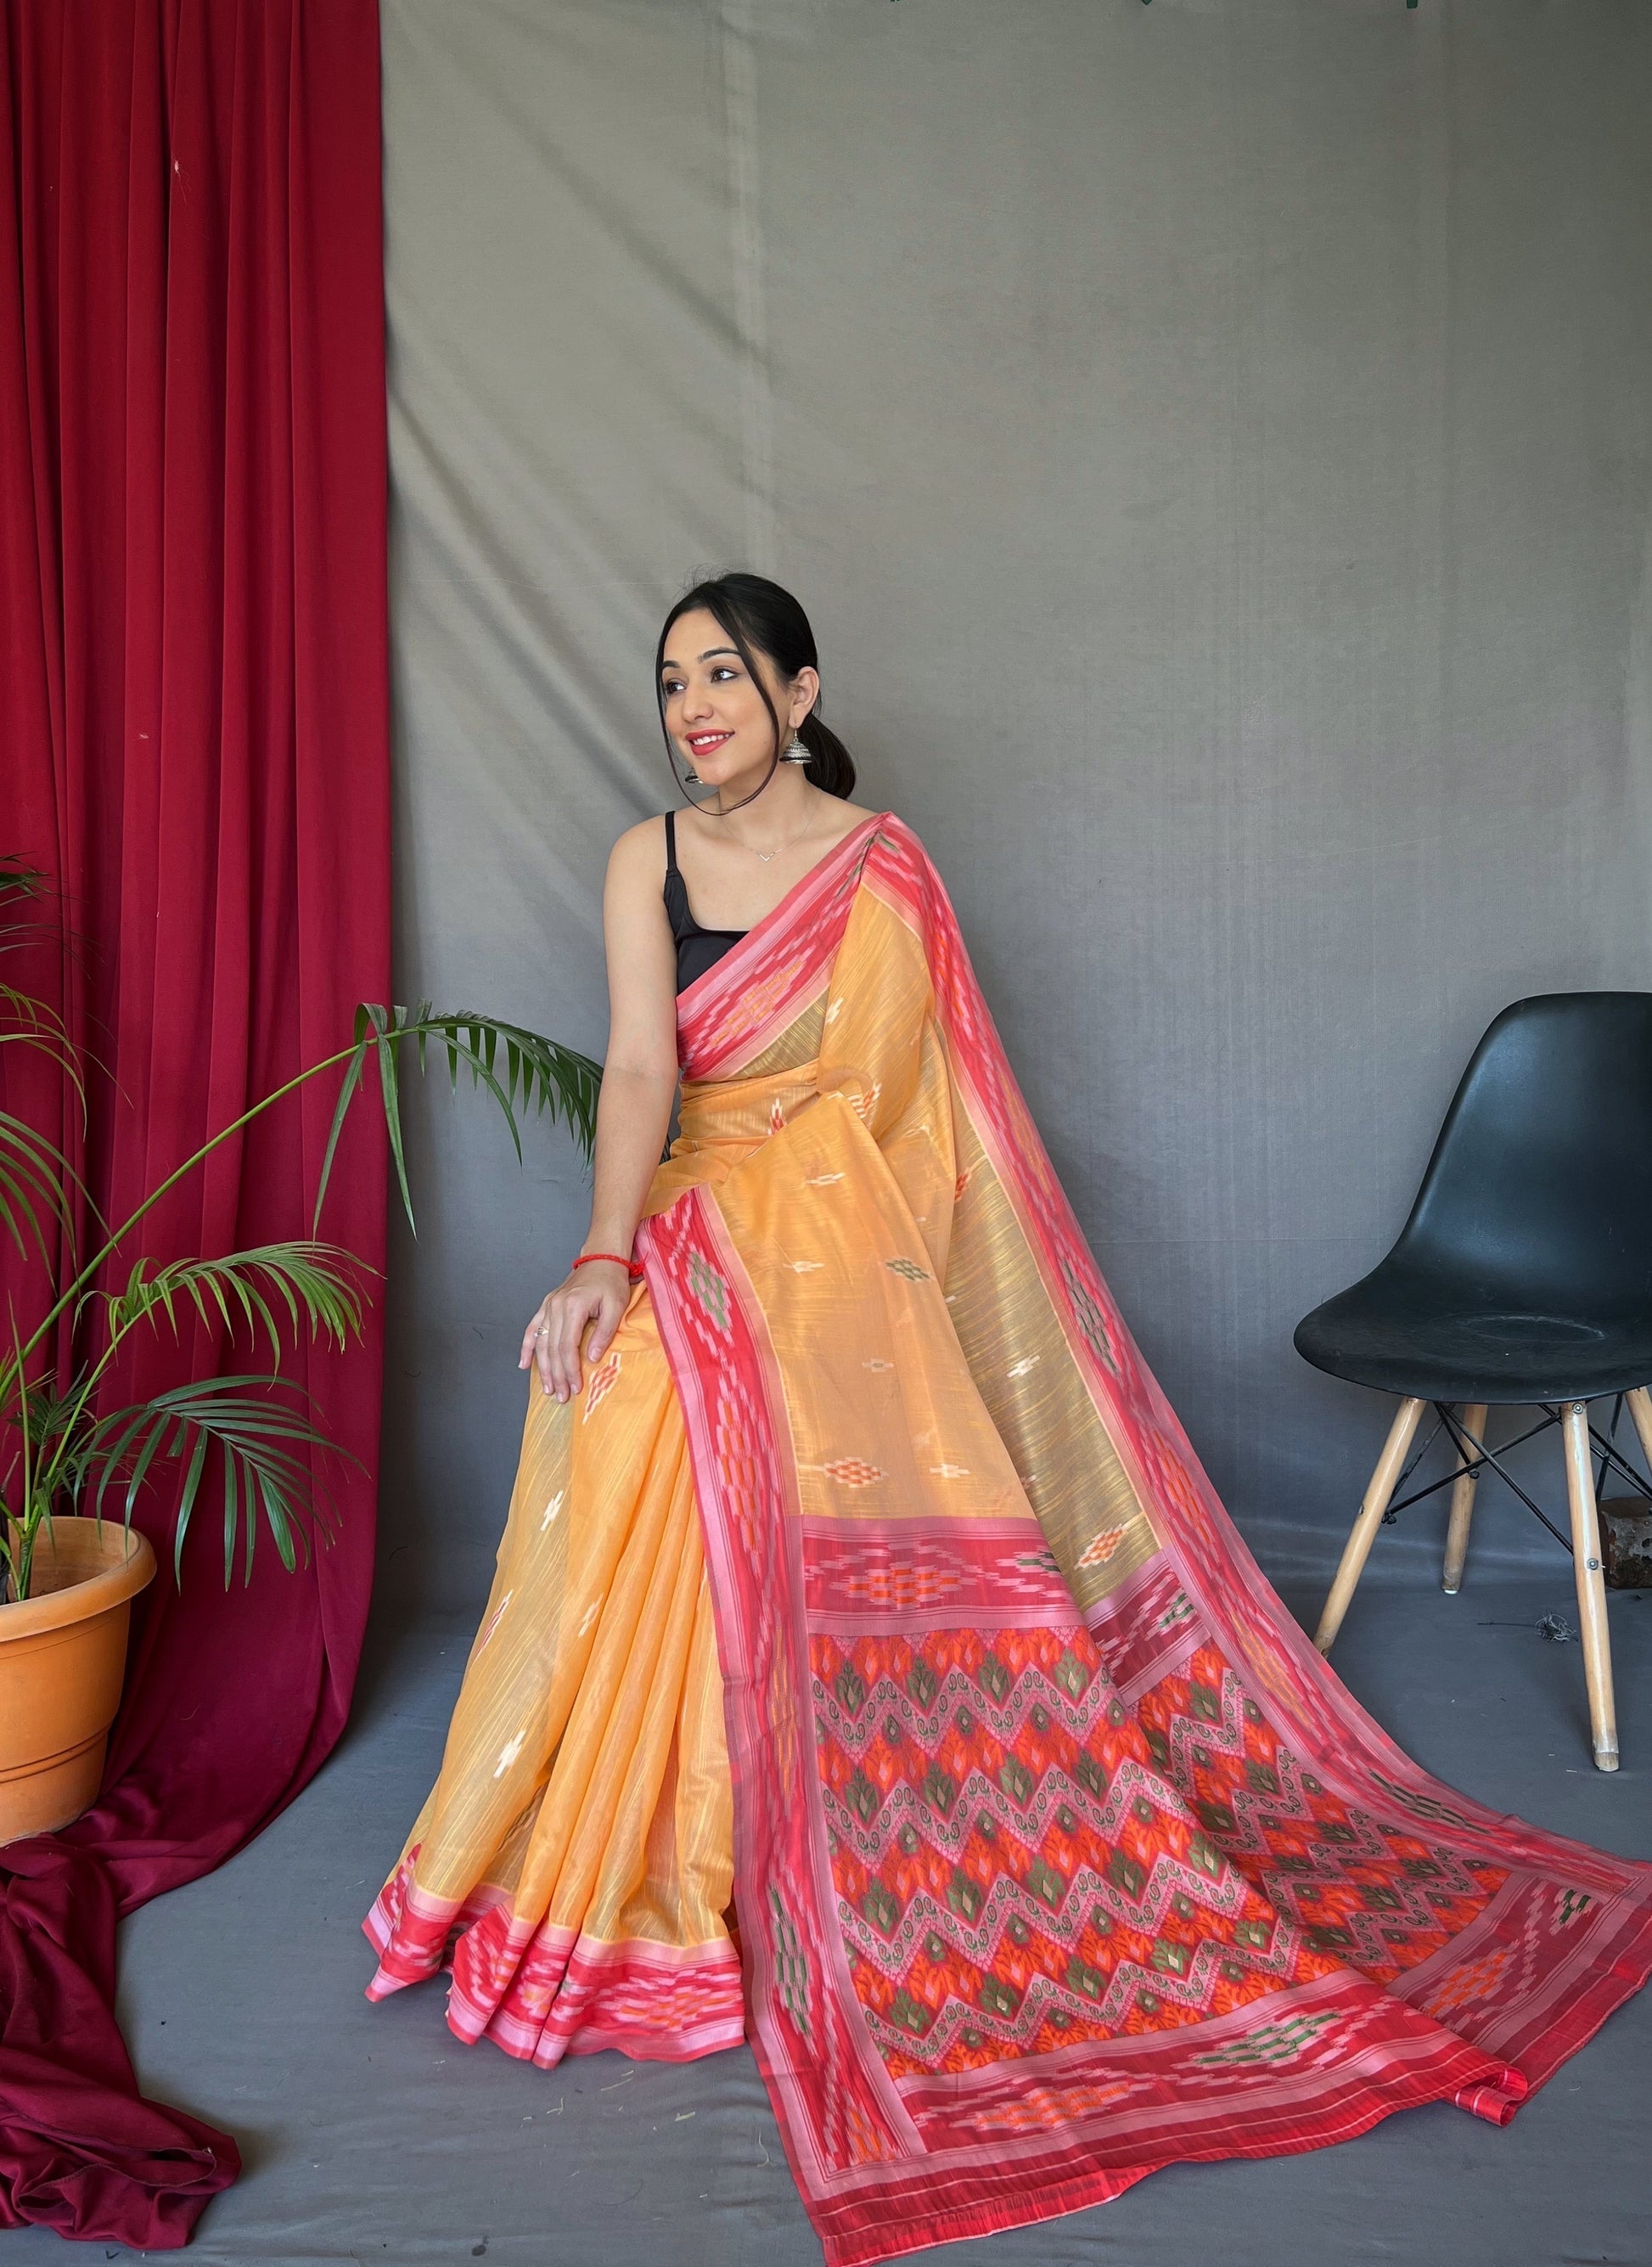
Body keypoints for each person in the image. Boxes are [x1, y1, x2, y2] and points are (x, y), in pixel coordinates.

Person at [364, 574, 1652, 2265]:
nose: (692, 707)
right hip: (695, 1227)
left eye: (724, 676)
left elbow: (935, 1124)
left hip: (849, 1250)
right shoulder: (643, 861)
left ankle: (846, 1824)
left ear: (800, 687)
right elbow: (636, 1075)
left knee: (826, 1433)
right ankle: (680, 1851)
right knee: (619, 1400)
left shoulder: (880, 869)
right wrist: (604, 1255)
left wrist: (828, 1255)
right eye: (671, 680)